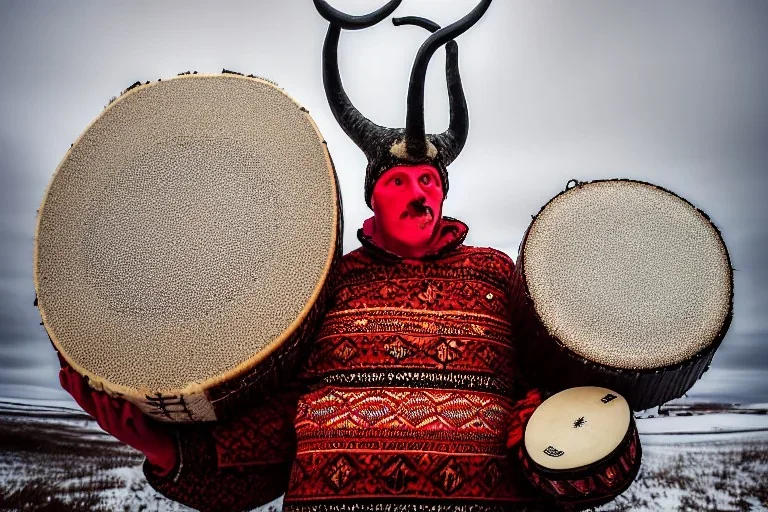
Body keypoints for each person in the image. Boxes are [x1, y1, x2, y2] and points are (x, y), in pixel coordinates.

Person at [60, 1, 638, 510]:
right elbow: (282, 423)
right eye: (399, 182)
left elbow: (552, 396)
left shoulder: (494, 272)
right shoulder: (323, 283)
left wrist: (554, 427)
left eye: (431, 182)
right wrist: (170, 449)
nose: (419, 194)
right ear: (370, 198)